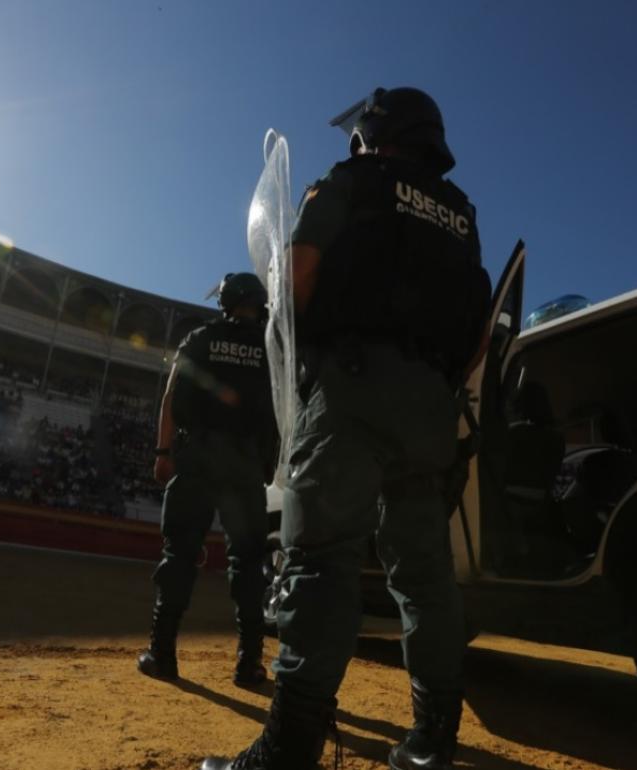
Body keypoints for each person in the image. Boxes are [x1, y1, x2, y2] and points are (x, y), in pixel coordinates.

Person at [202, 87, 492, 770]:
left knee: (319, 558)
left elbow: (296, 277)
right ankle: (432, 741)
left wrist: (308, 368)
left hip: (352, 390)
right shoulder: (461, 216)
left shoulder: (349, 180)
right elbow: (479, 328)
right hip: (431, 407)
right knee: (424, 575)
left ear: (372, 132)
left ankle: (288, 749)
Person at [136, 271, 280, 688]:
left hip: (197, 457)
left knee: (179, 554)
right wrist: (267, 463)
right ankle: (249, 665)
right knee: (248, 563)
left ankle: (162, 655)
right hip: (246, 465)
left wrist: (163, 453)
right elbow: (279, 409)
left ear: (226, 302)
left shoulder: (199, 338)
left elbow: (171, 397)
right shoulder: (271, 347)